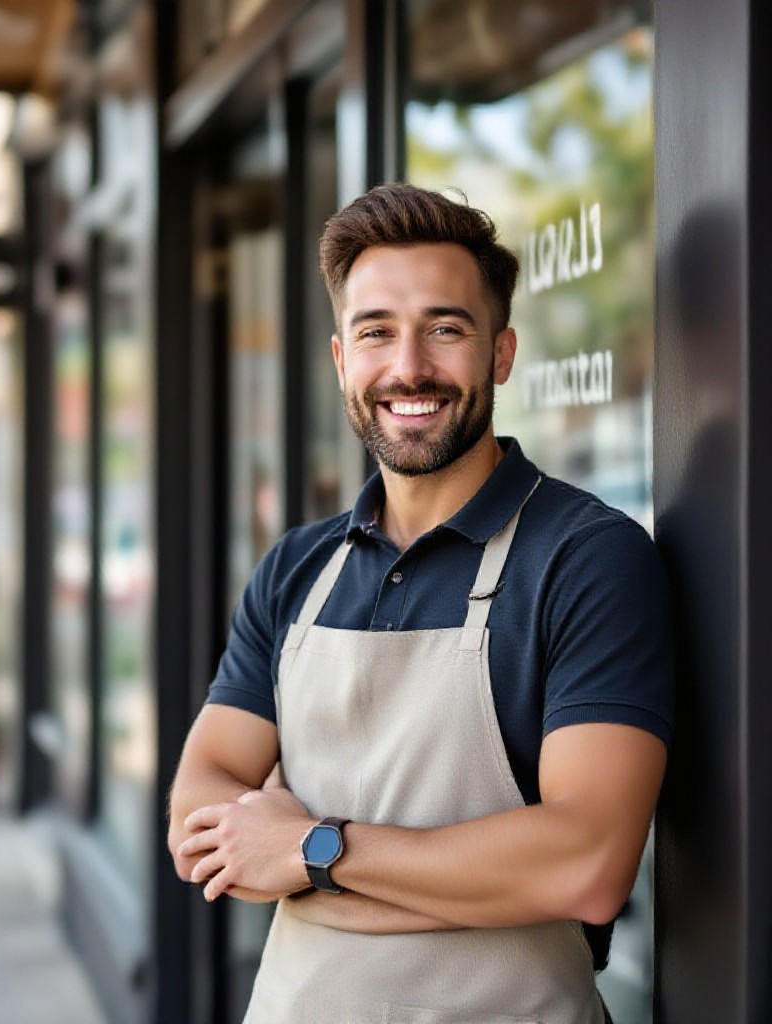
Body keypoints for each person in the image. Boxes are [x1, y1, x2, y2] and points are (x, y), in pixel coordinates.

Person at [168, 183, 673, 1023]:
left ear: (501, 355)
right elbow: (199, 806)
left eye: (445, 329)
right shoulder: (298, 568)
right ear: (341, 360)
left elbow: (585, 866)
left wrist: (311, 854)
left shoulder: (589, 558)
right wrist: (466, 883)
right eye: (376, 333)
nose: (408, 368)